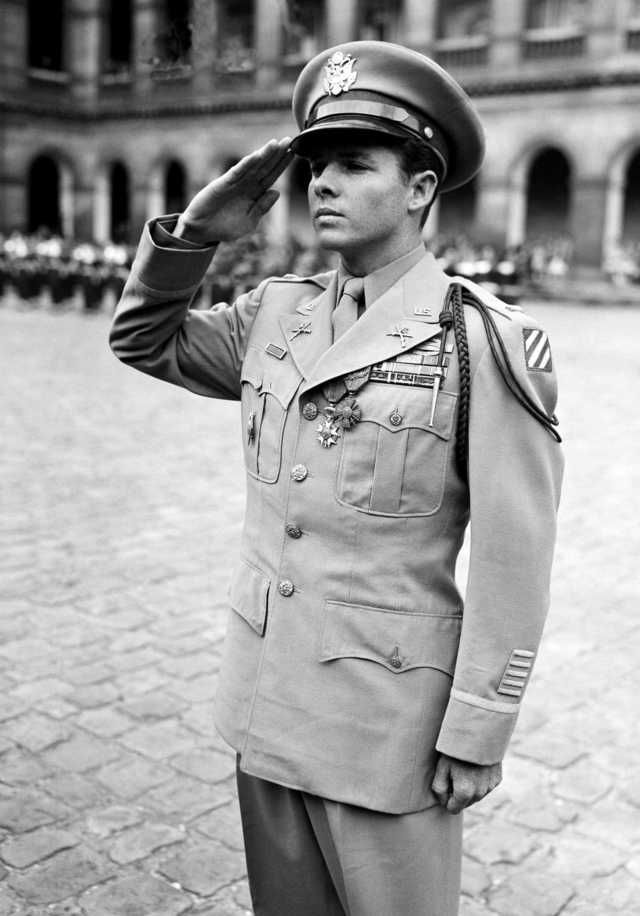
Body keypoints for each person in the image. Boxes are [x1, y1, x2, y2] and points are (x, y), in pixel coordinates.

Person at [110, 40, 563, 916]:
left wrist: (476, 729)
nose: (322, 183)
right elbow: (143, 340)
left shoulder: (478, 341)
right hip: (264, 700)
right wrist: (195, 234)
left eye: (355, 164)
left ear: (421, 189)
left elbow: (517, 553)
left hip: (385, 729)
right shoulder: (276, 313)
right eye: (316, 165)